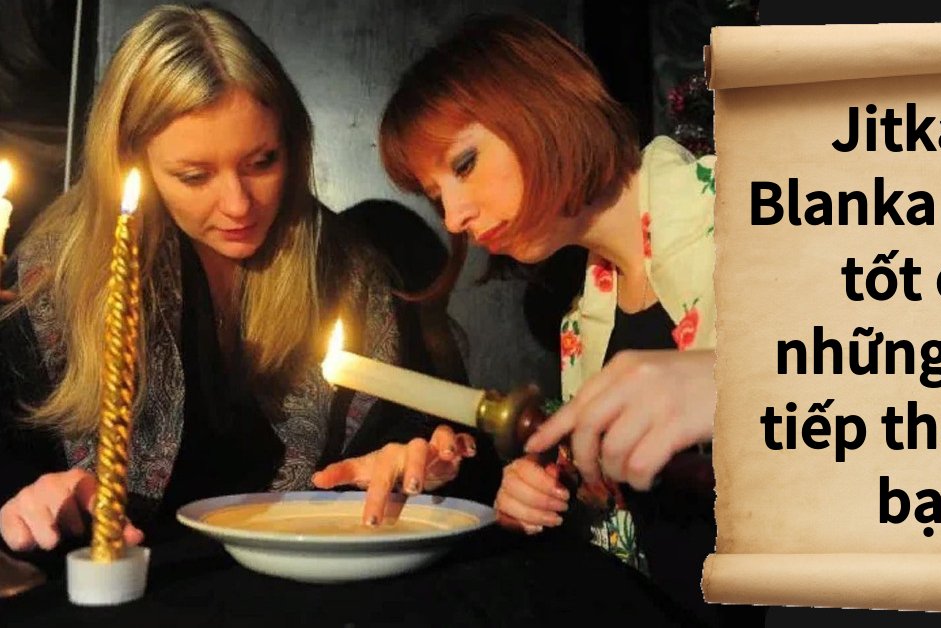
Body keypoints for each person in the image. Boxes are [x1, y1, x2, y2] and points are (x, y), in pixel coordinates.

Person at [0, 4, 475, 565]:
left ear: (292, 143)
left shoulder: (347, 267)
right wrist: (25, 498)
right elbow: (14, 463)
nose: (238, 205)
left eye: (261, 162)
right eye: (195, 176)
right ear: (132, 162)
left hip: (310, 580)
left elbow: (410, 437)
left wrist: (411, 460)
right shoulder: (52, 276)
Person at [375, 14, 752, 627]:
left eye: (464, 163)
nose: (453, 217)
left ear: (541, 106)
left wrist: (735, 383)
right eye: (436, 195)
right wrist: (546, 493)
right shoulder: (583, 319)